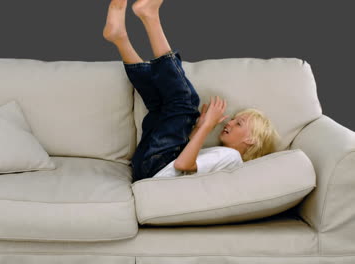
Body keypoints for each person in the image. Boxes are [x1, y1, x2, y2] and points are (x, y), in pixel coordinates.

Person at [103, 0, 280, 182]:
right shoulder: (224, 156)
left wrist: (208, 125)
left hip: (157, 167)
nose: (230, 123)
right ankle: (120, 38)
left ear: (251, 140)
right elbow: (185, 155)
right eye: (235, 120)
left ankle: (150, 17)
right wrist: (199, 126)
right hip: (149, 168)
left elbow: (182, 165)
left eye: (239, 124)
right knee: (159, 105)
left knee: (185, 103)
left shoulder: (231, 157)